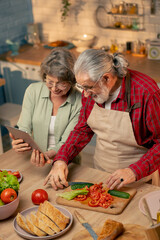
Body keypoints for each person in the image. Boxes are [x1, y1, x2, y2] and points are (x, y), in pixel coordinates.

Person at [44, 49, 160, 190]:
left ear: (107, 78)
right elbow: (82, 131)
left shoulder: (145, 92)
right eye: (81, 87)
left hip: (138, 178)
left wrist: (134, 171)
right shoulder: (91, 91)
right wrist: (61, 159)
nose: (85, 94)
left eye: (88, 87)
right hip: (100, 173)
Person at [11, 48, 82, 166]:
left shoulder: (80, 102)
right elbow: (24, 128)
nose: (54, 88)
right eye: (49, 82)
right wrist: (19, 142)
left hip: (67, 163)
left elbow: (67, 142)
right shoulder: (33, 91)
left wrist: (47, 155)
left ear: (72, 81)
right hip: (36, 160)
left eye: (61, 83)